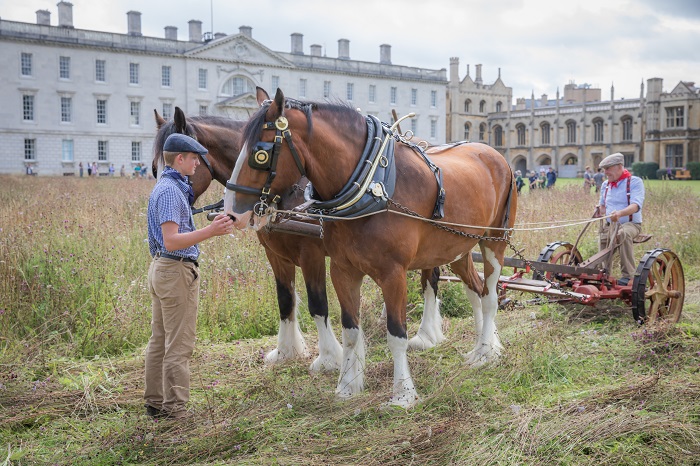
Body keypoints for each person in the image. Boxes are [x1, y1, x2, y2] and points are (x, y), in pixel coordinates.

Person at [144, 133, 234, 420]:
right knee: (179, 345)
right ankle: (176, 410)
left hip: (162, 269)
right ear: (180, 158)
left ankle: (155, 402)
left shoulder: (165, 186)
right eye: (194, 158)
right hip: (175, 270)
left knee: (160, 340)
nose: (198, 163)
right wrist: (211, 232)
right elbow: (172, 240)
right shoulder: (171, 191)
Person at [594, 152, 645, 286]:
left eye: (608, 169)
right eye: (604, 169)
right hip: (610, 224)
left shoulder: (634, 182)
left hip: (631, 224)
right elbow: (603, 207)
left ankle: (628, 276)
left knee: (622, 234)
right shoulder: (606, 185)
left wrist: (620, 213)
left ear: (619, 167)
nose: (606, 172)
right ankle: (603, 274)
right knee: (603, 239)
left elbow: (635, 206)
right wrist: (599, 210)